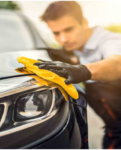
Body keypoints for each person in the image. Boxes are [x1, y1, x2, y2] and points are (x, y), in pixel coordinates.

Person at [34, 1, 121, 149]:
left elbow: (117, 64)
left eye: (69, 29)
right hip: (114, 130)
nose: (63, 39)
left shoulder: (111, 40)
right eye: (56, 33)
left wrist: (81, 71)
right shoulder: (78, 49)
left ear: (84, 22)